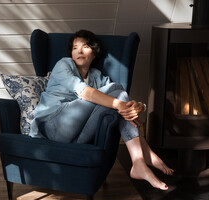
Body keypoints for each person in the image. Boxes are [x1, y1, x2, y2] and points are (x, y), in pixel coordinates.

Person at [29, 29, 173, 190]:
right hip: (53, 125)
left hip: (77, 138)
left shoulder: (97, 76)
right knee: (117, 91)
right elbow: (85, 92)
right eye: (75, 48)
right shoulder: (64, 64)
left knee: (118, 96)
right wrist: (120, 104)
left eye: (85, 46)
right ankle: (142, 157)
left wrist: (140, 106)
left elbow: (121, 97)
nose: (79, 51)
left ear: (94, 52)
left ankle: (140, 159)